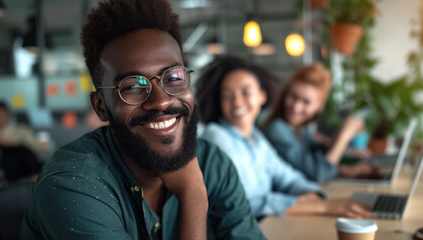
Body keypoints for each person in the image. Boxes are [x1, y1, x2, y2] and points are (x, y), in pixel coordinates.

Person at [20, 1, 264, 239]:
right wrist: (194, 196)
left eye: (174, 77)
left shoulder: (212, 164)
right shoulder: (72, 186)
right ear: (101, 106)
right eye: (132, 86)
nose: (161, 101)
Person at [197, 56, 370, 219]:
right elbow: (241, 203)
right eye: (227, 96)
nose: (237, 102)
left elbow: (287, 176)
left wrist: (309, 193)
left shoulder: (256, 138)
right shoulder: (216, 136)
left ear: (262, 96)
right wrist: (321, 206)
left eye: (246, 93)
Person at [263, 63, 377, 183]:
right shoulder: (277, 128)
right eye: (293, 96)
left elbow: (316, 153)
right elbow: (319, 173)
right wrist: (345, 135)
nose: (296, 107)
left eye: (306, 102)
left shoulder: (300, 129)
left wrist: (347, 160)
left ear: (319, 106)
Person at [0, 101, 42, 182]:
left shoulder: (22, 130)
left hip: (20, 170)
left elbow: (36, 147)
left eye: (1, 115)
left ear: (8, 115)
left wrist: (6, 142)